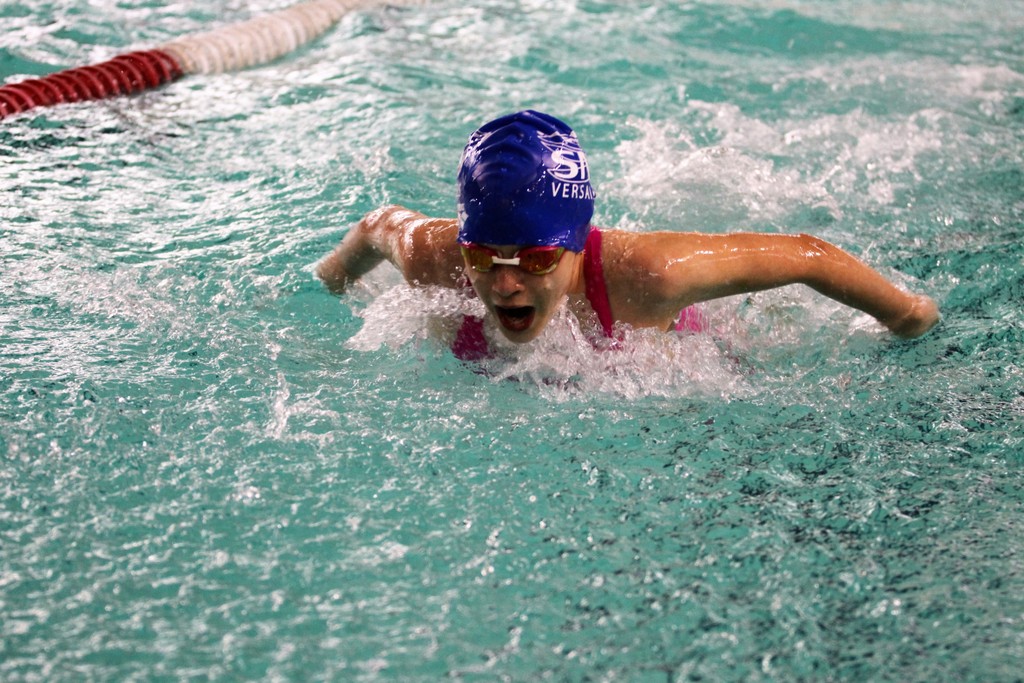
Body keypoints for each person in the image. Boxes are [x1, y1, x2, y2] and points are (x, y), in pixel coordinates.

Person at [317, 110, 939, 357]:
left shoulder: (651, 274)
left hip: (693, 355)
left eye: (535, 259)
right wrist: (331, 281)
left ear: (574, 242)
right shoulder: (435, 255)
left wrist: (908, 316)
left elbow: (810, 255)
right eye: (484, 256)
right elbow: (376, 225)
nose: (504, 285)